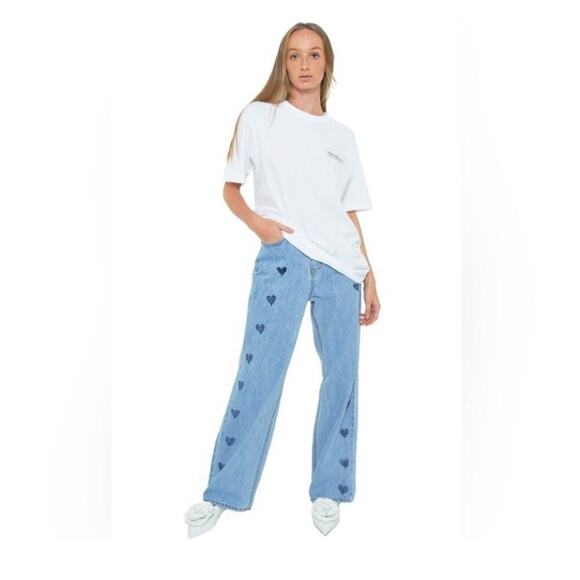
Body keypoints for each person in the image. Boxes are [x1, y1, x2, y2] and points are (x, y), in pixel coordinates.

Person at [184, 22, 380, 538]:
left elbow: (348, 214)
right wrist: (260, 226)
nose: (304, 65)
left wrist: (370, 275)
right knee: (259, 374)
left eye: (314, 55)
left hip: (342, 270)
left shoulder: (342, 138)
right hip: (284, 258)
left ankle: (329, 488)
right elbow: (230, 188)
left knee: (342, 379)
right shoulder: (259, 117)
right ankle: (224, 491)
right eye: (295, 55)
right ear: (283, 63)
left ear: (327, 63)